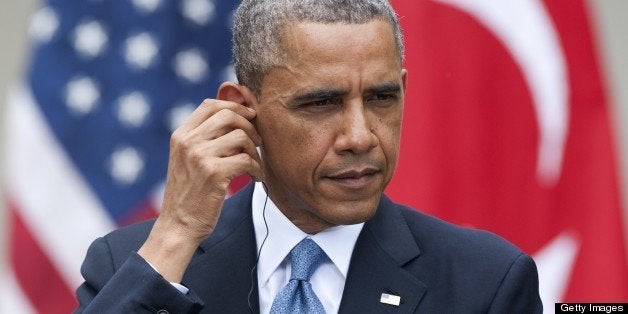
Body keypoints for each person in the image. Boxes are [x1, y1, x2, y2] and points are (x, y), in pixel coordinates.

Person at [75, 0, 543, 313]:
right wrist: (175, 236)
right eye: (321, 103)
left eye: (381, 98)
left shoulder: (486, 283)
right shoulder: (132, 266)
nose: (360, 137)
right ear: (242, 110)